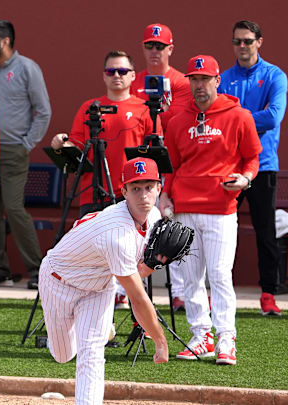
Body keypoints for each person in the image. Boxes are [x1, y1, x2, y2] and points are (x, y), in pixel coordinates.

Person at [39, 157, 169, 405]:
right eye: (135, 188)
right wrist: (160, 341)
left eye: (149, 187)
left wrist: (154, 263)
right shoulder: (116, 234)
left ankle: (94, 334)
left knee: (92, 353)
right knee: (63, 355)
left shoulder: (153, 216)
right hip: (59, 281)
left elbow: (135, 272)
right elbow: (138, 298)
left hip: (98, 286)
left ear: (159, 187)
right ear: (124, 192)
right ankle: (91, 329)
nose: (143, 195)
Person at [159, 55, 261, 365]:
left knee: (219, 275)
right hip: (185, 208)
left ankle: (226, 338)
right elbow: (172, 167)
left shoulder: (239, 116)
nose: (199, 85)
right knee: (190, 278)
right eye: (194, 79)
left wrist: (244, 179)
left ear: (218, 81)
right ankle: (200, 334)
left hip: (221, 207)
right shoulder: (177, 120)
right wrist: (165, 196)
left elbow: (252, 160)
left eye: (205, 79)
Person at [217, 20, 288, 316]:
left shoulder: (275, 76)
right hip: (227, 164)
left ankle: (269, 293)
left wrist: (237, 121)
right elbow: (215, 117)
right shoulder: (222, 78)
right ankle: (217, 291)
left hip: (263, 164)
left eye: (247, 41)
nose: (242, 46)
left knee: (265, 231)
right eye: (237, 41)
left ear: (260, 41)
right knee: (220, 228)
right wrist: (245, 120)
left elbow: (273, 117)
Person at [0, 20, 51, 290]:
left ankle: (36, 270)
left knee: (14, 208)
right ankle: (0, 270)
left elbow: (43, 111)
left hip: (13, 151)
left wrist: (26, 144)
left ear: (5, 41)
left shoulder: (27, 68)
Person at [130, 22, 194, 313]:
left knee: (170, 224)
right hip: (140, 159)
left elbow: (175, 123)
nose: (154, 51)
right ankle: (127, 285)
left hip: (169, 158)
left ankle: (178, 291)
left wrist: (158, 111)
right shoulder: (134, 78)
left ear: (170, 48)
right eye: (149, 46)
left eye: (160, 46)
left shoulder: (181, 82)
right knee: (132, 220)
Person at [51, 51, 159, 216]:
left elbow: (156, 154)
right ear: (104, 75)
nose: (116, 75)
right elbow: (76, 146)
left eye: (122, 71)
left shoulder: (145, 109)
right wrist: (62, 144)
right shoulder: (89, 108)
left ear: (132, 76)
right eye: (111, 71)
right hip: (92, 193)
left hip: (131, 192)